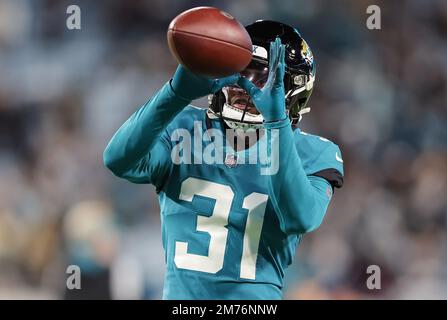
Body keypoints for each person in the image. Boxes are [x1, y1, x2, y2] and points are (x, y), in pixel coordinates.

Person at [103, 20, 344, 299]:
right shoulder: (185, 126)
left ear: (294, 90)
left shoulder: (315, 152)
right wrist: (174, 93)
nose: (245, 86)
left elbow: (298, 217)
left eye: (263, 77)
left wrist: (277, 125)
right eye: (240, 72)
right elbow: (118, 159)